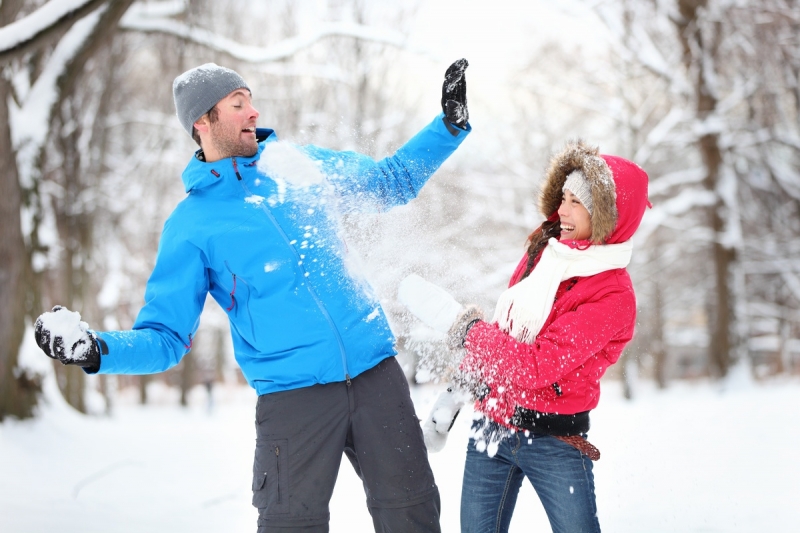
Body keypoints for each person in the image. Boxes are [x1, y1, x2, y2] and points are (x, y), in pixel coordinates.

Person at [33, 59, 472, 532]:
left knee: (413, 515)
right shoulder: (192, 225)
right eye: (237, 104)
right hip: (292, 399)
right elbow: (164, 338)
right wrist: (96, 350)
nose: (253, 112)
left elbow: (391, 181)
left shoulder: (298, 168)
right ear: (203, 123)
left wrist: (448, 126)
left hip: (375, 375)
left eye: (251, 101)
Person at [444, 140, 650, 533]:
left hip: (555, 441)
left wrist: (471, 332)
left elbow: (536, 365)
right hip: (493, 425)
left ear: (607, 216)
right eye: (564, 197)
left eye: (576, 202)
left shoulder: (613, 295)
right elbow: (508, 334)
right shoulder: (545, 251)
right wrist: (470, 375)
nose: (562, 210)